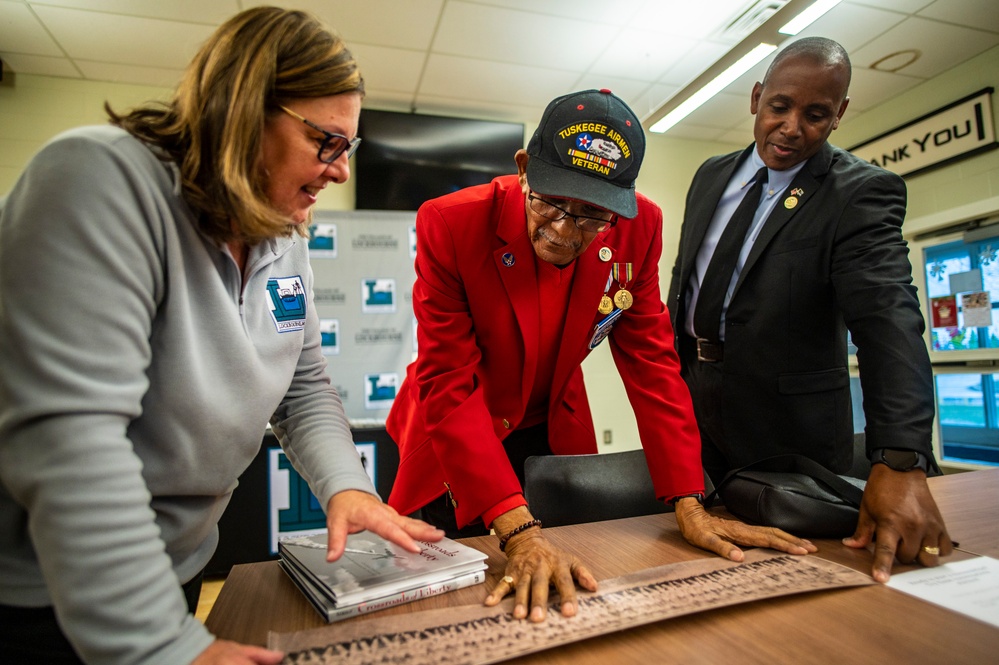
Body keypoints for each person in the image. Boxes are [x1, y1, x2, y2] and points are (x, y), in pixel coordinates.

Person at [0, 7, 443, 665]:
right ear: (243, 109)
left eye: (348, 149)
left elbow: (304, 388)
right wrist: (163, 645)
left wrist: (347, 487)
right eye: (327, 141)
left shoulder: (280, 235)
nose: (339, 171)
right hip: (51, 585)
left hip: (170, 565)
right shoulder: (100, 179)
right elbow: (72, 433)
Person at [385, 88, 816, 624]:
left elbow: (652, 364)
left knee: (570, 587)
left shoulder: (640, 227)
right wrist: (516, 530)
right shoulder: (451, 223)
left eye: (593, 216)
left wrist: (689, 497)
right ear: (524, 169)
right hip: (457, 429)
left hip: (551, 425)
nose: (566, 231)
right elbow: (448, 379)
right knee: (459, 600)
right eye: (552, 203)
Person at [667, 37, 952, 584]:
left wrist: (900, 461)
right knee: (697, 560)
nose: (793, 127)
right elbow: (688, 284)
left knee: (796, 576)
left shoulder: (859, 193)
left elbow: (889, 323)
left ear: (839, 115)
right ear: (756, 99)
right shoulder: (710, 176)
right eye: (780, 106)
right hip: (696, 400)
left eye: (816, 114)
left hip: (789, 429)